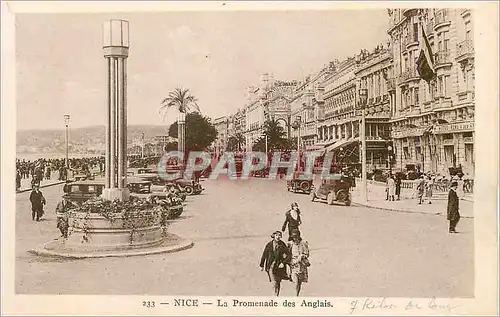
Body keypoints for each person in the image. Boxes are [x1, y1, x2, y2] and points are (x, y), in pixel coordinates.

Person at [259, 231, 291, 296]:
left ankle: (276, 295)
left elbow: (288, 255)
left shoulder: (282, 244)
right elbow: (264, 254)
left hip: (279, 267)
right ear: (274, 236)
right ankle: (274, 296)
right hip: (270, 266)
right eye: (277, 235)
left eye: (280, 235)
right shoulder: (269, 244)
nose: (278, 237)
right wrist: (261, 265)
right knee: (274, 281)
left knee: (278, 281)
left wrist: (283, 263)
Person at [287, 229, 310, 296]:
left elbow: (307, 254)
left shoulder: (303, 243)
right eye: (293, 237)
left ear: (298, 236)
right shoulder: (290, 244)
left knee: (299, 282)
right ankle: (295, 296)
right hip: (293, 265)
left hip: (302, 265)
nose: (295, 238)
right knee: (296, 282)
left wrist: (302, 256)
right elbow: (287, 254)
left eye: (296, 237)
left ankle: (297, 295)